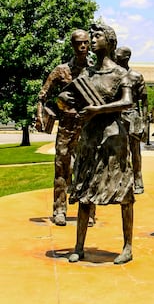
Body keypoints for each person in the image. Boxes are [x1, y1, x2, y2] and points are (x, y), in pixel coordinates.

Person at [66, 22, 135, 265]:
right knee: (85, 190)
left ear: (109, 40)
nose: (92, 40)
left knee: (123, 192)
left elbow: (127, 103)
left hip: (113, 137)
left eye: (97, 36)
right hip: (90, 137)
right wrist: (65, 101)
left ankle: (127, 246)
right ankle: (79, 245)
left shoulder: (120, 74)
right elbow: (70, 99)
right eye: (91, 36)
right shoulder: (87, 75)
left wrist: (99, 109)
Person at [36, 29, 94, 227]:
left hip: (89, 126)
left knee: (88, 168)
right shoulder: (60, 70)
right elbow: (42, 96)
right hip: (67, 126)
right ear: (72, 45)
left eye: (86, 42)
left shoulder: (95, 70)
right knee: (62, 167)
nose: (83, 46)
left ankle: (89, 211)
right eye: (79, 43)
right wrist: (40, 114)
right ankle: (59, 210)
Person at [115, 47, 148, 194]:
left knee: (135, 150)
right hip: (116, 115)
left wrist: (145, 122)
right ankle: (120, 180)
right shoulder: (113, 75)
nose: (115, 57)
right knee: (118, 150)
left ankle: (138, 179)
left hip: (133, 115)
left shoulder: (136, 76)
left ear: (126, 57)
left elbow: (144, 101)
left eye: (118, 56)